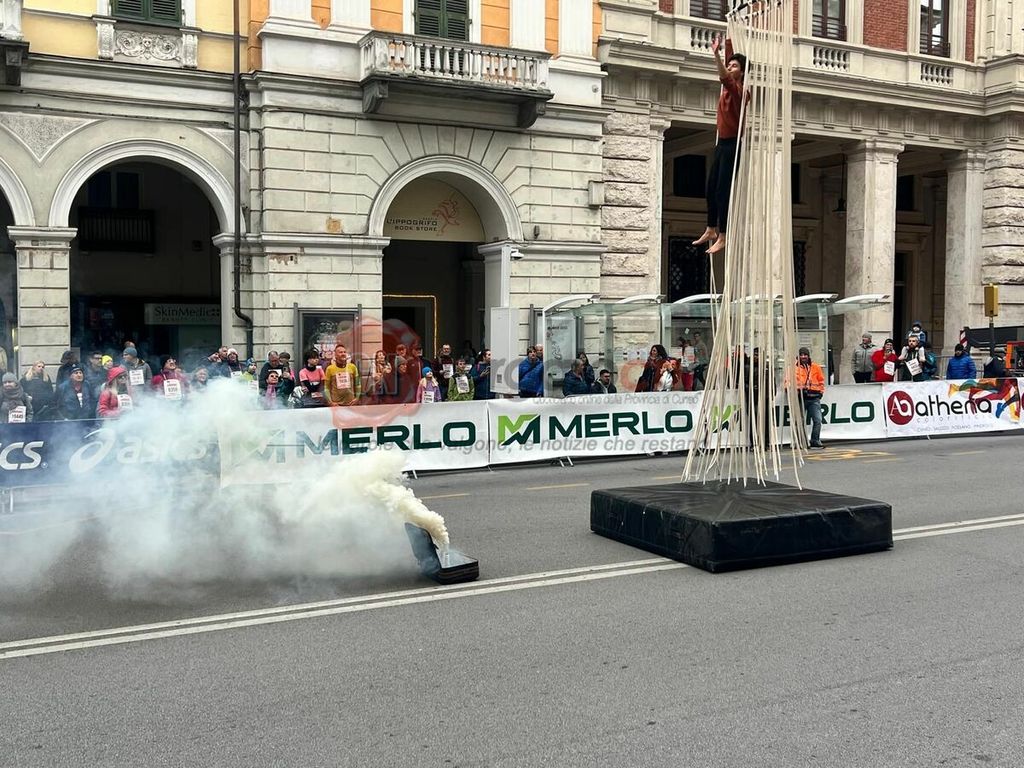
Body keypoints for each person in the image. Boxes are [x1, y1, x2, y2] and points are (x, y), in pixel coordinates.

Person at [692, 34, 746, 256]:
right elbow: (727, 66)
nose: (730, 67)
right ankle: (711, 228)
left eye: (735, 66)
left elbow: (725, 76)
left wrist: (716, 55)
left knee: (723, 192)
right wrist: (729, 41)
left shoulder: (739, 91)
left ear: (742, 72)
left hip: (733, 145)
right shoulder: (727, 88)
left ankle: (723, 235)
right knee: (711, 188)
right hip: (722, 144)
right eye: (730, 65)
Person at [793, 347, 825, 449]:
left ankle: (815, 440)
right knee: (799, 421)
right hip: (800, 397)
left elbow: (821, 381)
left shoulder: (816, 367)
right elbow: (787, 382)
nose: (803, 357)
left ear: (808, 356)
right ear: (798, 356)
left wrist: (821, 392)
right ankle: (801, 441)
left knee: (818, 420)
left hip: (814, 397)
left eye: (805, 355)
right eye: (801, 355)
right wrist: (795, 391)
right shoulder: (793, 368)